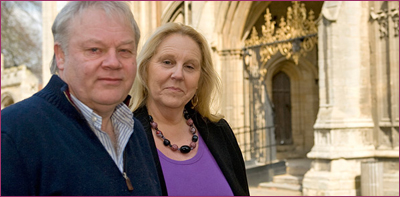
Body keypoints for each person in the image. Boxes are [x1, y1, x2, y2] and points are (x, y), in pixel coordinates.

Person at [1, 2, 162, 196]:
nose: (113, 62)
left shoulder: (136, 131)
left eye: (124, 50)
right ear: (60, 56)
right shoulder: (13, 133)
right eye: (95, 49)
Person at [130, 22, 250, 196]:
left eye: (189, 66)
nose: (178, 74)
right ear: (145, 68)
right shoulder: (124, 136)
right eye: (167, 62)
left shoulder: (219, 132)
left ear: (200, 79)